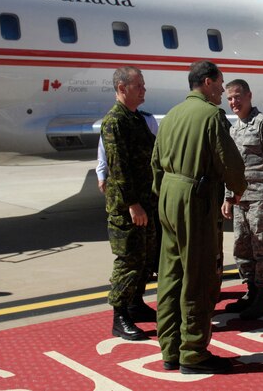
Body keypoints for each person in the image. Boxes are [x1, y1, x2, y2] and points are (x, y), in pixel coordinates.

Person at [151, 60, 247, 375]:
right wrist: (238, 188)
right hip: (194, 200)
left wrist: (165, 194)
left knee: (170, 274)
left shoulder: (171, 116)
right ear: (207, 82)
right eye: (219, 83)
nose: (222, 90)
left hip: (168, 195)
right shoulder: (210, 116)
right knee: (199, 274)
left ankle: (170, 349)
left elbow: (155, 163)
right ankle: (192, 352)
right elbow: (229, 162)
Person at [221, 79, 263, 320]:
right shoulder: (234, 128)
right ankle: (250, 292)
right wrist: (228, 197)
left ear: (249, 96)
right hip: (241, 200)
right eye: (229, 98)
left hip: (261, 198)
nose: (234, 102)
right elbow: (230, 168)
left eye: (238, 97)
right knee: (242, 248)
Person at [101, 66, 158, 341]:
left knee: (146, 257)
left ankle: (136, 303)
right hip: (128, 208)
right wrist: (133, 204)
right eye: (139, 86)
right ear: (122, 89)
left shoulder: (136, 118)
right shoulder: (114, 121)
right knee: (129, 260)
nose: (144, 89)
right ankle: (119, 314)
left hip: (146, 203)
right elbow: (118, 167)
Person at [96, 112, 158, 194]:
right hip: (123, 183)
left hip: (146, 181)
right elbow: (104, 151)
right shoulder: (113, 120)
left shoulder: (148, 120)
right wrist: (101, 176)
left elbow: (157, 149)